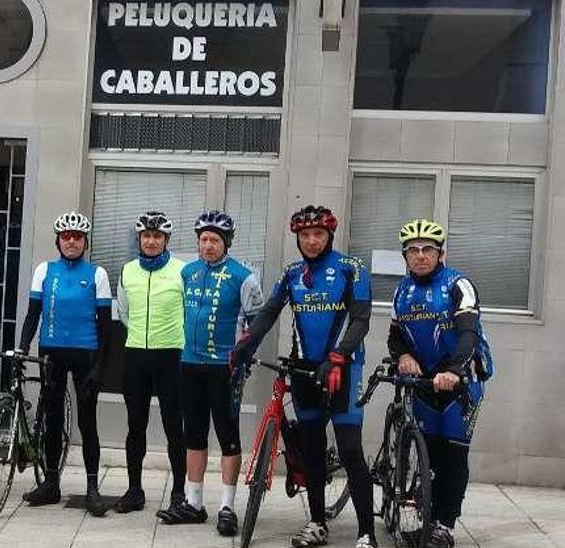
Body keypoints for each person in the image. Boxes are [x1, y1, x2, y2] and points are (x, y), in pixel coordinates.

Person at [232, 205, 377, 548]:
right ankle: (316, 522)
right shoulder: (292, 273)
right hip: (304, 369)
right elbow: (268, 313)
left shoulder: (350, 268)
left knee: (350, 449)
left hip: (343, 367)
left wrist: (338, 356)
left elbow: (361, 319)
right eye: (305, 236)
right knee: (310, 447)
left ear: (330, 235)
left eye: (319, 235)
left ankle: (366, 533)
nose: (312, 241)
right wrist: (245, 346)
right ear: (297, 238)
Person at [388, 219, 492, 548]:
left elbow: (468, 334)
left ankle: (445, 527)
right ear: (405, 256)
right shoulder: (401, 291)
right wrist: (403, 355)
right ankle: (428, 522)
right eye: (413, 250)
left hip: (462, 377)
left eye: (427, 249)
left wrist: (455, 370)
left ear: (440, 253)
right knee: (429, 454)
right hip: (425, 381)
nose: (420, 256)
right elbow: (395, 335)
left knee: (452, 456)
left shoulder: (458, 284)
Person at [160, 210, 264, 534]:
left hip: (225, 368)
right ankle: (193, 503)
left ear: (226, 243)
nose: (208, 246)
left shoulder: (243, 276)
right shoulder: (187, 272)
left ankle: (227, 507)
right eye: (203, 240)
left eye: (214, 240)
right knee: (193, 435)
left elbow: (258, 321)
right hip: (190, 364)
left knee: (228, 437)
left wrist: (243, 356)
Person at [16, 211, 111, 517]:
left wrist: (99, 368)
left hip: (85, 353)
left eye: (77, 237)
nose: (71, 241)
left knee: (88, 422)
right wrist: (21, 348)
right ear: (58, 240)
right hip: (51, 352)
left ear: (85, 241)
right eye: (66, 236)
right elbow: (33, 314)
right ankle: (52, 484)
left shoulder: (97, 274)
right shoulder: (45, 270)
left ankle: (93, 489)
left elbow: (106, 327)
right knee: (52, 421)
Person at [113, 210, 186, 514]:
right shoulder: (127, 270)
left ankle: (179, 492)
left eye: (157, 236)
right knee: (135, 427)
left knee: (174, 428)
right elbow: (124, 313)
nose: (152, 241)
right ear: (139, 239)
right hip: (136, 355)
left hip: (171, 354)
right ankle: (134, 490)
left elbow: (188, 312)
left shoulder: (183, 271)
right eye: (146, 236)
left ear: (166, 240)